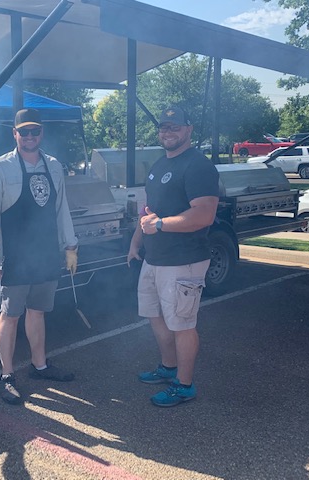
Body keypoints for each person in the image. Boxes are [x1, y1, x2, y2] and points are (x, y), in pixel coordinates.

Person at [0, 109, 79, 405]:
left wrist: (70, 246)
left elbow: (61, 208)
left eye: (35, 131)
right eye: (24, 131)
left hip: (46, 252)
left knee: (37, 311)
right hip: (15, 254)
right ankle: (7, 375)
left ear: (41, 132)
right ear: (15, 134)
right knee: (10, 315)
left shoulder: (54, 166)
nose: (30, 136)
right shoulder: (0, 168)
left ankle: (40, 366)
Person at [127, 106, 219, 407]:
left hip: (184, 260)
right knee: (154, 315)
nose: (168, 132)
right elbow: (148, 211)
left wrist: (161, 225)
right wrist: (136, 241)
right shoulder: (159, 164)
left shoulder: (198, 166)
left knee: (182, 324)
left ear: (188, 130)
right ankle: (168, 367)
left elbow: (204, 214)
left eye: (175, 127)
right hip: (155, 258)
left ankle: (184, 384)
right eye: (164, 127)